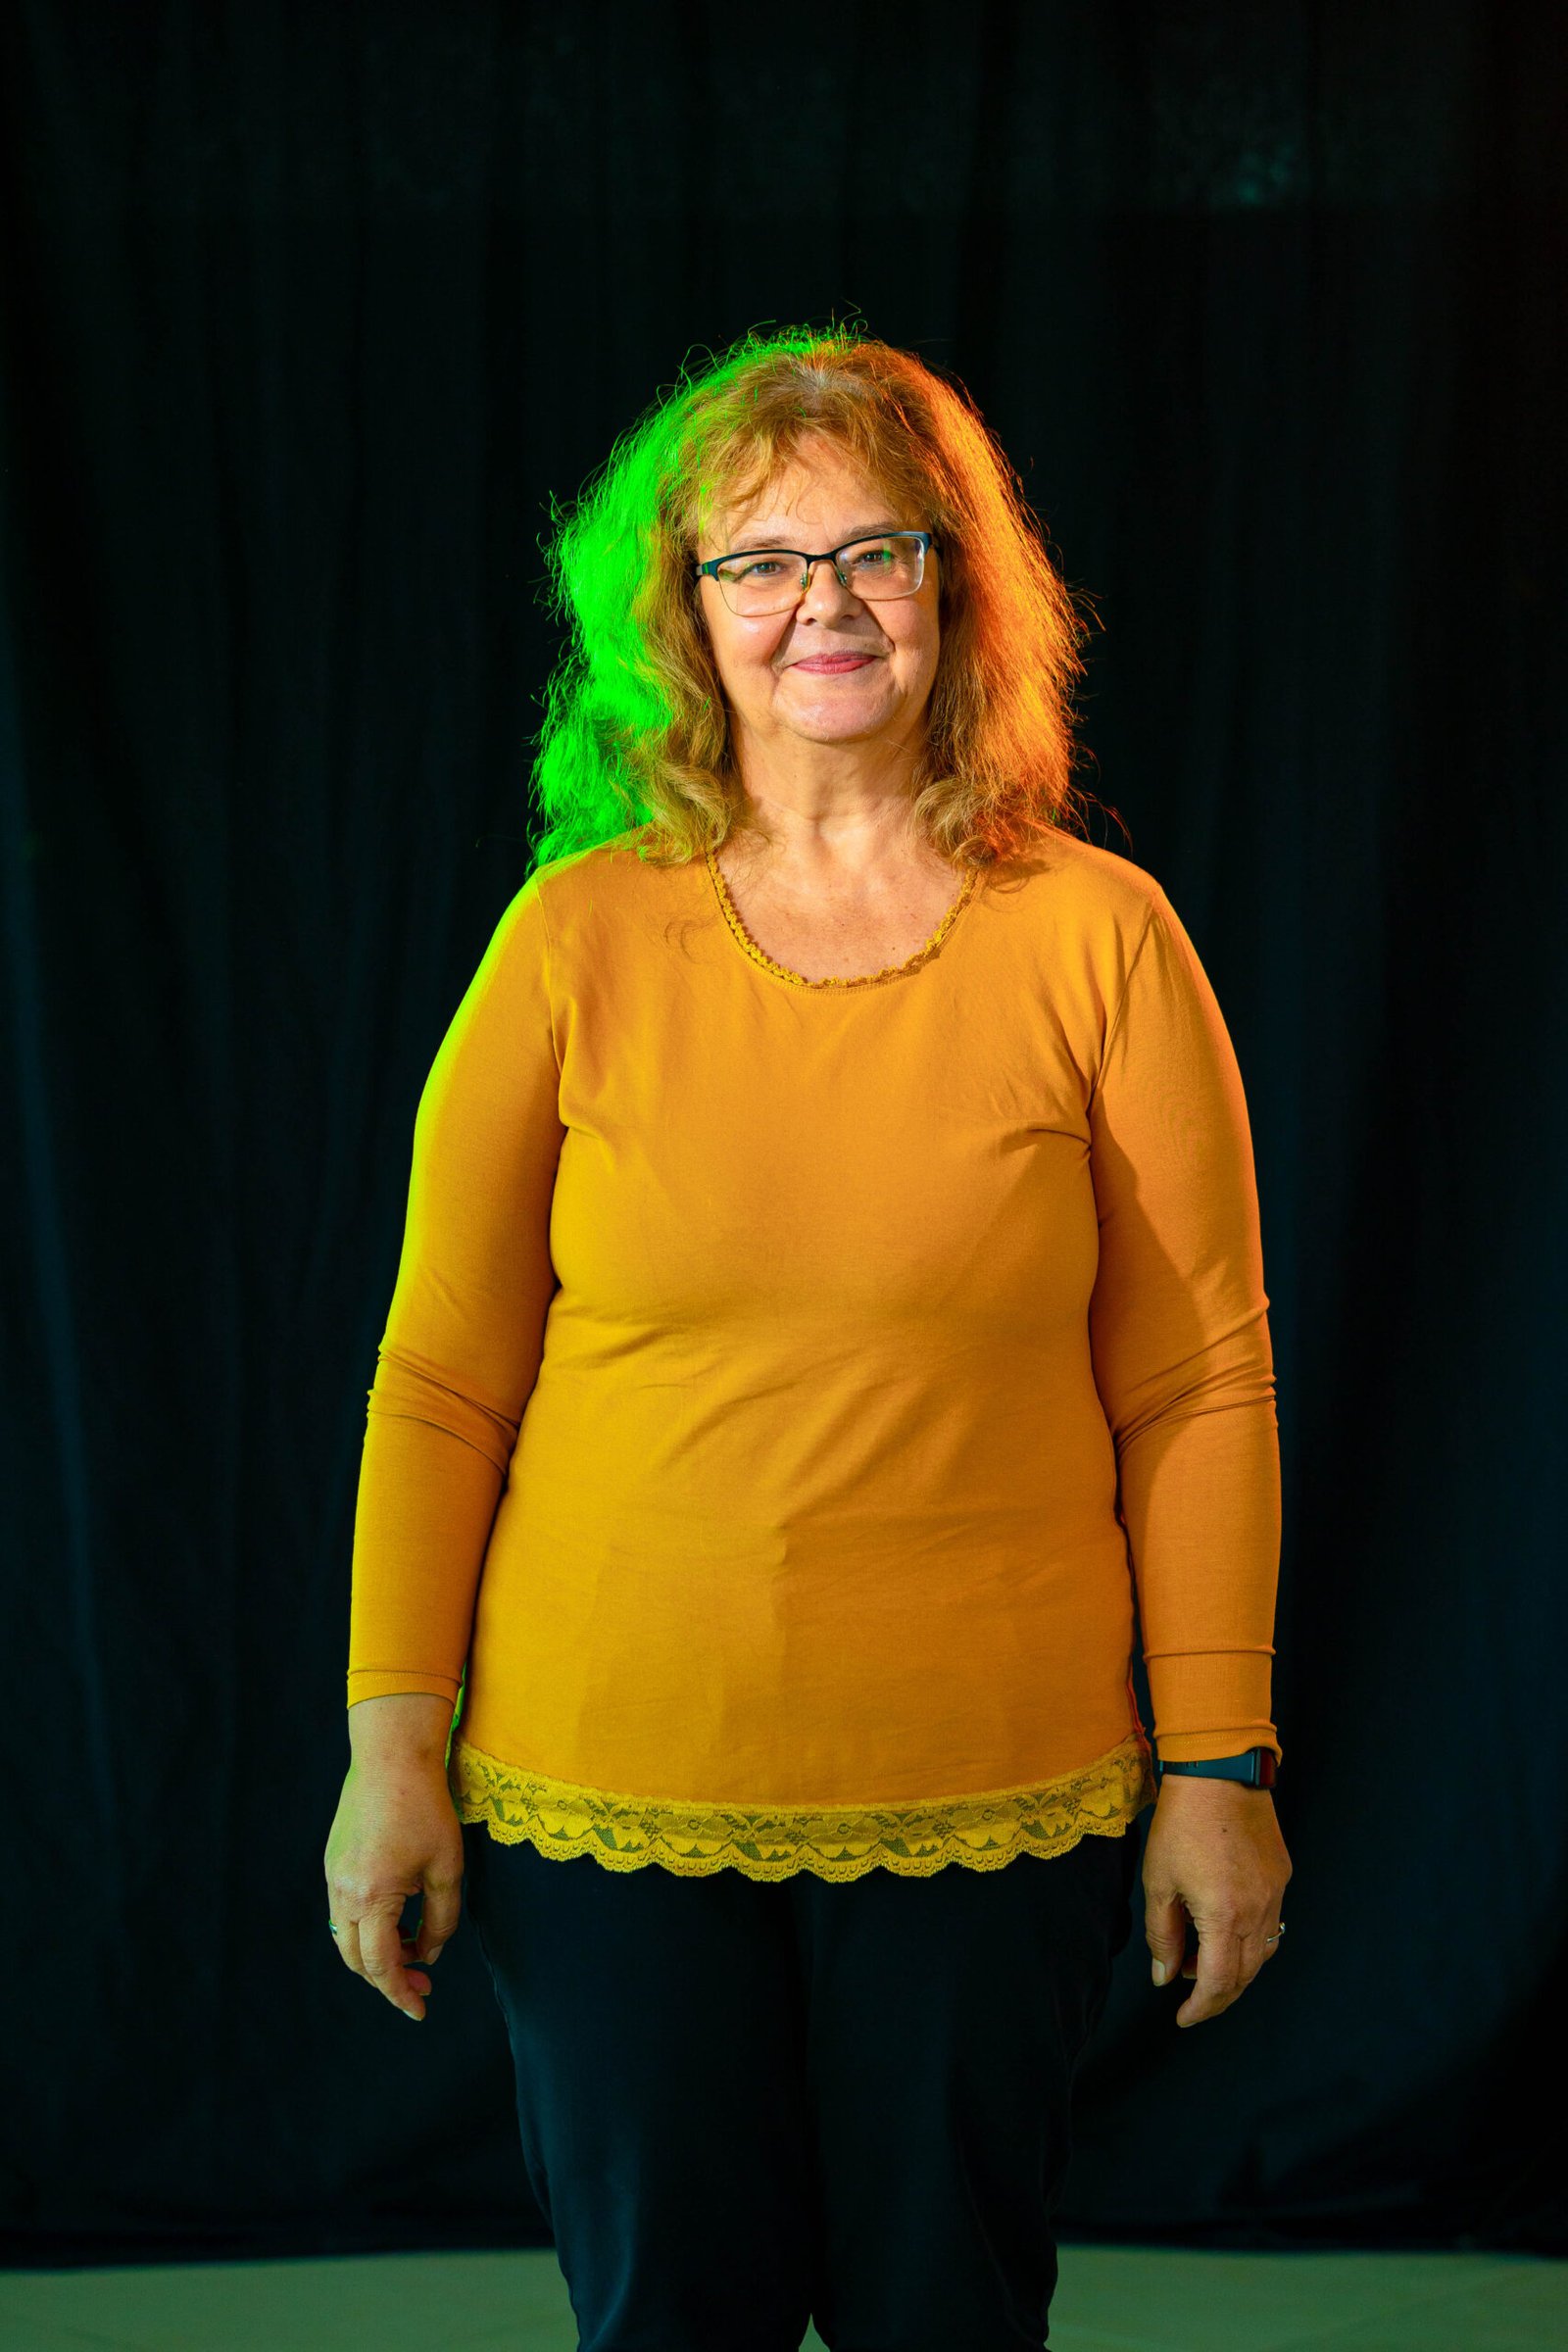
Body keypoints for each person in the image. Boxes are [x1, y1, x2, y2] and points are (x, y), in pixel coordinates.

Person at [324, 323, 1293, 2352]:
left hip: (995, 1787)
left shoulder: (1100, 937)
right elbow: (440, 1385)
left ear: (957, 588)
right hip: (603, 1793)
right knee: (674, 2322)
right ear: (682, 615)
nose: (822, 606)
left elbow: (1197, 1383)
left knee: (949, 2317)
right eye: (759, 562)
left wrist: (1218, 1764)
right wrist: (389, 1753)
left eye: (874, 551)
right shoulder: (575, 938)